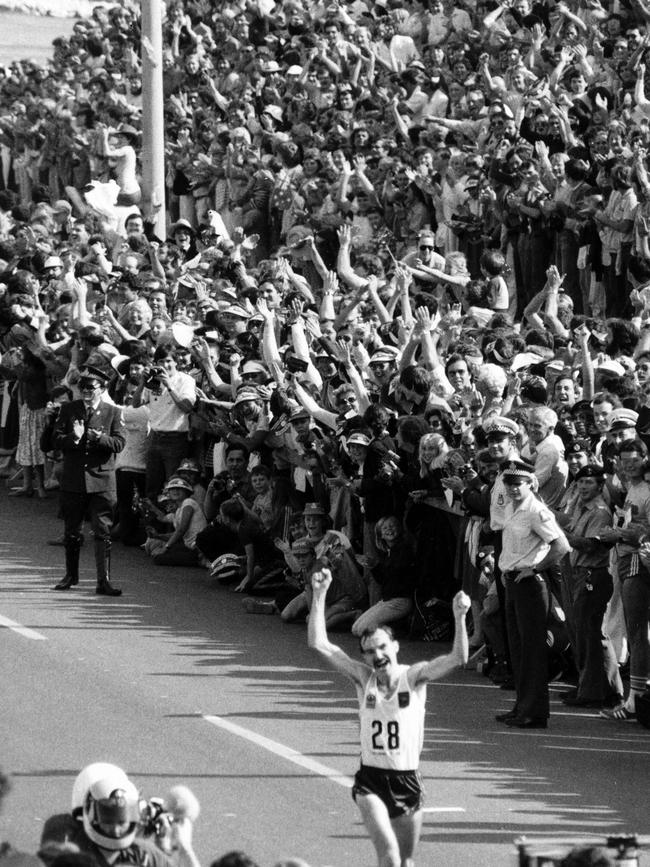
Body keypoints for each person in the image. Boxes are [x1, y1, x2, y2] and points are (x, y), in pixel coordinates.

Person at [308, 568, 470, 867]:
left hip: (407, 780)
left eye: (382, 647)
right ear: (365, 657)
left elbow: (457, 658)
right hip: (371, 780)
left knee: (406, 861)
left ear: (395, 647)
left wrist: (459, 617)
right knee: (390, 857)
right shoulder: (363, 678)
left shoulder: (414, 677)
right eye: (370, 651)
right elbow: (320, 643)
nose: (377, 655)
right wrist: (319, 595)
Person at [495, 460, 571, 729]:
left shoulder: (536, 510)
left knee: (532, 650)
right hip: (513, 580)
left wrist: (536, 567)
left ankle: (534, 712)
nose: (513, 488)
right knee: (517, 648)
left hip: (530, 584)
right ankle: (522, 706)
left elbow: (561, 545)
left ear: (530, 483)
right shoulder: (512, 508)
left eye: (519, 483)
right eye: (509, 483)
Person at [51, 365, 126, 596]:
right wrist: (73, 438)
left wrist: (100, 438)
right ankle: (70, 575)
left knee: (102, 531)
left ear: (102, 389)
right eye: (82, 387)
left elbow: (119, 443)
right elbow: (55, 439)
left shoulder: (112, 411)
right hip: (74, 479)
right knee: (72, 531)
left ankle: (103, 581)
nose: (85, 391)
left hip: (102, 480)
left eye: (90, 388)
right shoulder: (68, 409)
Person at [40, 763, 200, 867]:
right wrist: (184, 849)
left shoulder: (143, 851)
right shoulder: (66, 838)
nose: (116, 830)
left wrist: (171, 849)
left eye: (121, 819)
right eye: (108, 819)